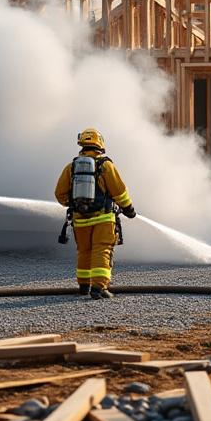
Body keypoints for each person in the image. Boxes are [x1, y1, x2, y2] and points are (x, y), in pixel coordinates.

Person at [54, 127, 135, 299]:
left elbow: (59, 194)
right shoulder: (105, 165)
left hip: (80, 220)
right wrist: (129, 209)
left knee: (84, 250)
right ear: (100, 143)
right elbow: (119, 191)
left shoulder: (71, 167)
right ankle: (99, 287)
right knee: (102, 250)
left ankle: (83, 286)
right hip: (103, 218)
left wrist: (75, 204)